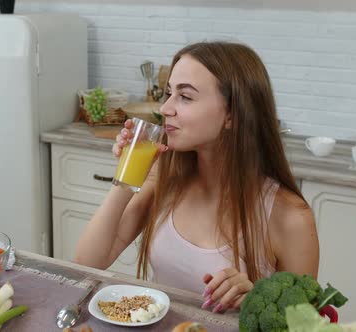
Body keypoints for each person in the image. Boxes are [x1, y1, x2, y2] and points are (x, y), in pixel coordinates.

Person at [73, 41, 319, 313]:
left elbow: (303, 323)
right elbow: (87, 262)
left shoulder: (289, 216)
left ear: (232, 115)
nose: (166, 108)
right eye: (168, 93)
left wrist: (255, 300)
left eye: (185, 97)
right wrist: (127, 173)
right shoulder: (164, 179)